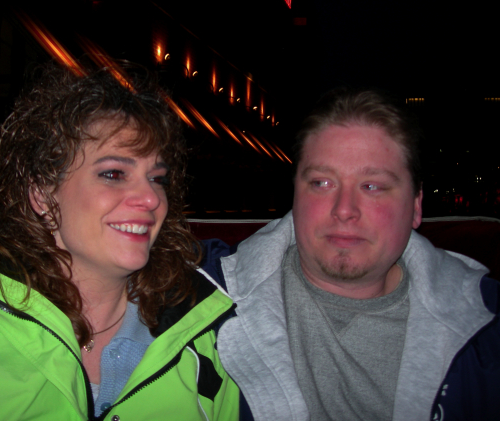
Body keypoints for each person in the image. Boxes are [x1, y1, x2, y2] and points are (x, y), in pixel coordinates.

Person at [0, 63, 239, 420]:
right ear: (42, 195)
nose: (151, 198)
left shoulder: (205, 338)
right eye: (114, 174)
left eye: (157, 178)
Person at [202, 88, 500, 420]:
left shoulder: (487, 332)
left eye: (372, 186)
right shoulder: (200, 299)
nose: (344, 210)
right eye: (322, 183)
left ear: (416, 206)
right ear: (294, 194)